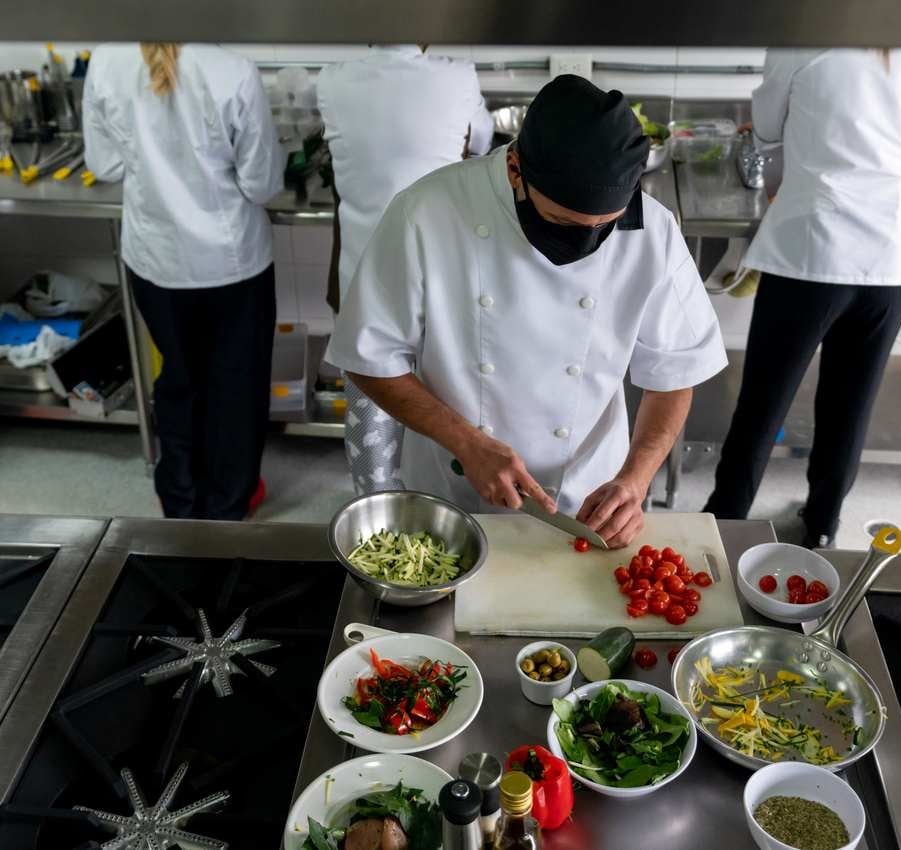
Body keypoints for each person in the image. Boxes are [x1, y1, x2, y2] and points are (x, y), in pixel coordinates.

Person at [326, 75, 726, 547]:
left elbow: (676, 372)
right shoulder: (427, 212)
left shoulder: (653, 231)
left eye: (605, 227)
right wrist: (467, 442)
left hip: (589, 501)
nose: (585, 241)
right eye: (563, 222)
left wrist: (635, 480)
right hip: (455, 498)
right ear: (515, 167)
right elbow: (369, 361)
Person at [704, 48, 901, 548]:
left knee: (764, 401)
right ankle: (823, 524)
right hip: (891, 257)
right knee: (850, 403)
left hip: (815, 250)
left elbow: (767, 130)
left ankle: (724, 521)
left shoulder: (802, 42)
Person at [84, 42, 283, 520]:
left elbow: (104, 166)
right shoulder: (232, 68)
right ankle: (227, 505)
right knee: (235, 387)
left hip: (156, 261)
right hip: (230, 263)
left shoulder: (106, 60)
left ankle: (178, 499)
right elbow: (262, 184)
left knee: (178, 377)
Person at [317, 45, 493, 494]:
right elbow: (481, 144)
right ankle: (442, 513)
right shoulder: (457, 76)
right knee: (443, 403)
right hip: (439, 276)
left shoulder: (334, 77)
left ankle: (375, 518)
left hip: (361, 274)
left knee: (371, 402)